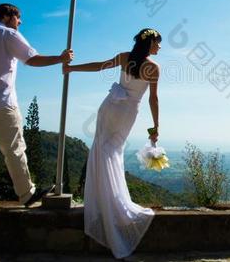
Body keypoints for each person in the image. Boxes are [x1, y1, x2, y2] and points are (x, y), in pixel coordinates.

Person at [0, 3, 74, 212]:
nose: (20, 22)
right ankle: (26, 194)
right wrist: (60, 58)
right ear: (8, 16)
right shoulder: (8, 34)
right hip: (0, 104)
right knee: (14, 150)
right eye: (18, 18)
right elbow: (32, 59)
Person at [62, 28, 161, 259]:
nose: (159, 47)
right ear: (149, 44)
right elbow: (153, 99)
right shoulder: (154, 68)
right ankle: (114, 205)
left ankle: (102, 202)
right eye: (157, 43)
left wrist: (71, 68)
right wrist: (156, 127)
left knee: (102, 151)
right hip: (127, 112)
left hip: (108, 107)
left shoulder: (125, 57)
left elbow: (99, 66)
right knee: (112, 154)